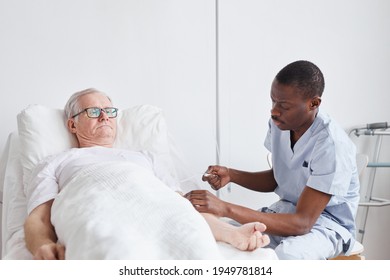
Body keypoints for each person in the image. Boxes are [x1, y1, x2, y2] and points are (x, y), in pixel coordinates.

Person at [23, 88, 270, 260]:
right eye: (94, 112)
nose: (105, 117)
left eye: (109, 111)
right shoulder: (57, 161)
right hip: (94, 204)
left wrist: (229, 232)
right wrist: (42, 245)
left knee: (190, 241)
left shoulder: (144, 157)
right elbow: (40, 217)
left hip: (149, 200)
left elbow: (178, 207)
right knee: (108, 247)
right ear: (72, 125)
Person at [185, 60, 360, 260]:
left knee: (288, 256)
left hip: (326, 224)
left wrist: (225, 208)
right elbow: (279, 177)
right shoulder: (280, 124)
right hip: (286, 212)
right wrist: (231, 175)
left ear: (314, 103)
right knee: (219, 235)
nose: (274, 111)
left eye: (284, 105)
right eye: (273, 101)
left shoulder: (332, 145)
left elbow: (302, 223)